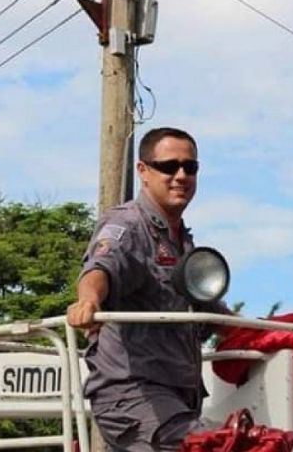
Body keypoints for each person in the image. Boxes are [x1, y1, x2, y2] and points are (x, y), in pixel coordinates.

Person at [67, 127, 230, 451]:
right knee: (208, 446)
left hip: (177, 398)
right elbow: (101, 267)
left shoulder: (183, 242)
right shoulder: (127, 225)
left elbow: (209, 312)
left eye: (190, 167)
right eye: (169, 166)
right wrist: (87, 301)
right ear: (143, 170)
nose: (181, 175)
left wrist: (273, 335)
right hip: (132, 393)